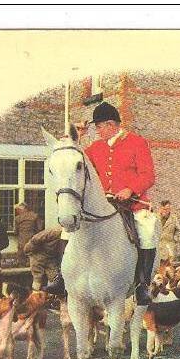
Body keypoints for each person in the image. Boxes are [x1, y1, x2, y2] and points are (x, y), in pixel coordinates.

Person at [43, 102, 159, 305]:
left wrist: (130, 189)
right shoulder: (94, 148)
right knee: (67, 231)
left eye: (98, 127)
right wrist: (76, 136)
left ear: (111, 124)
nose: (97, 131)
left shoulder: (137, 143)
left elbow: (148, 175)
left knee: (147, 231)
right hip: (102, 205)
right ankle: (61, 279)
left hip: (131, 204)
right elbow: (73, 160)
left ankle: (142, 285)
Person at [24, 226, 69, 291]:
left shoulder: (70, 237)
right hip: (38, 254)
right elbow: (35, 239)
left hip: (51, 258)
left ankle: (51, 297)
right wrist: (28, 250)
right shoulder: (54, 232)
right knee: (37, 277)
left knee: (54, 277)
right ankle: (35, 295)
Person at [14, 202, 43, 267]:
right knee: (32, 255)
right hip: (32, 238)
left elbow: (16, 232)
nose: (17, 211)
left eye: (18, 210)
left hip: (21, 240)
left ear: (22, 209)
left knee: (21, 257)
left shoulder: (17, 218)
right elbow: (39, 228)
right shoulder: (35, 216)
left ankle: (22, 267)